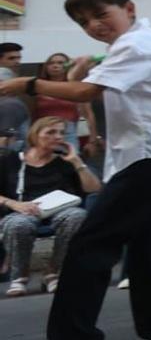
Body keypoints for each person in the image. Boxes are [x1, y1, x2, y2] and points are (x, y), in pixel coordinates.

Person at [2, 0, 151, 340]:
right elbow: (90, 90)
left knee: (89, 245)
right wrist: (79, 75)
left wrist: (26, 84)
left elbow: (86, 91)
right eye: (84, 22)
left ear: (129, 7)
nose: (94, 25)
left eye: (101, 15)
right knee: (148, 251)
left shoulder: (138, 45)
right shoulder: (133, 46)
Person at [2, 118, 100, 295]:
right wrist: (13, 203)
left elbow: (94, 189)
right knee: (19, 225)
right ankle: (19, 275)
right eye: (51, 132)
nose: (58, 137)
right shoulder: (12, 160)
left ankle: (53, 271)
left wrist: (77, 162)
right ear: (35, 135)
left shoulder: (65, 161)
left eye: (62, 133)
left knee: (76, 217)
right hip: (23, 208)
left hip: (60, 209)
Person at [31, 53, 100, 160]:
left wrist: (93, 140)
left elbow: (88, 114)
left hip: (68, 131)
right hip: (43, 132)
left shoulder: (75, 86)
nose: (55, 66)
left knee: (70, 162)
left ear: (68, 65)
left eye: (60, 63)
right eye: (51, 63)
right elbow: (32, 114)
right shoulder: (37, 87)